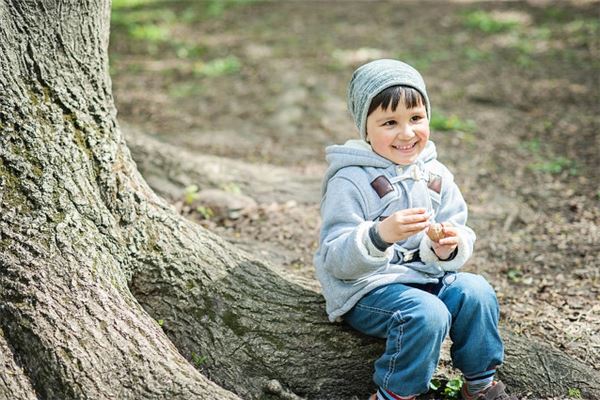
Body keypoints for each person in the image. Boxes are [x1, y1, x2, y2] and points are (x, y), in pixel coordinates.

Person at [313, 59, 516, 400]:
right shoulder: (351, 179)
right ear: (365, 128)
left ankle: (480, 385)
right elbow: (335, 256)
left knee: (476, 291)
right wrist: (379, 235)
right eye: (389, 122)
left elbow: (459, 227)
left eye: (416, 118)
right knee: (427, 312)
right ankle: (396, 393)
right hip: (368, 289)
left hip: (425, 278)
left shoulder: (436, 174)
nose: (406, 133)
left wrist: (446, 247)